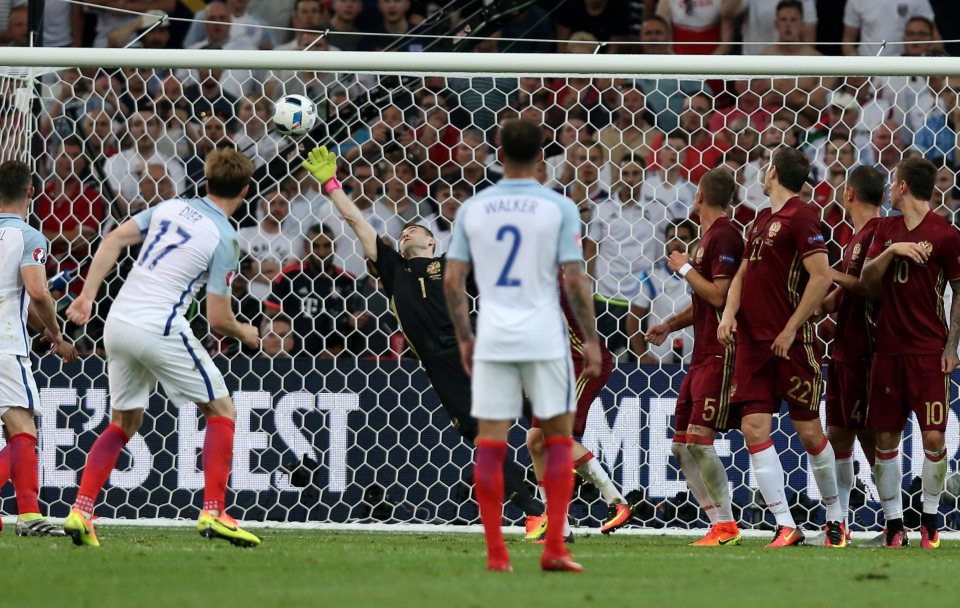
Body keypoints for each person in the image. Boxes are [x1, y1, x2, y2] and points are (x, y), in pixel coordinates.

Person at [298, 146, 546, 527]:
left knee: (536, 416)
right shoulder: (393, 269)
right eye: (404, 230)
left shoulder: (451, 263)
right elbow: (355, 221)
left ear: (432, 243)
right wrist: (331, 183)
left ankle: (566, 462)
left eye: (418, 229)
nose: (408, 231)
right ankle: (536, 515)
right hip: (439, 365)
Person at [63, 150, 261, 548]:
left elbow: (114, 237)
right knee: (222, 410)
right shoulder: (226, 237)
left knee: (124, 421)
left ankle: (81, 511)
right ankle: (214, 510)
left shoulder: (169, 207)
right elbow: (218, 318)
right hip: (160, 324)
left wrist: (86, 297)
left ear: (205, 182)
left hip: (118, 322)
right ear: (244, 190)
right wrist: (247, 333)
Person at [443, 119, 602, 573]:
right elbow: (574, 279)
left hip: (494, 332)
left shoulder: (473, 208)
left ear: (498, 150)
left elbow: (453, 281)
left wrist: (466, 337)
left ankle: (497, 554)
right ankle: (555, 546)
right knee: (556, 439)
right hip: (544, 335)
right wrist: (590, 339)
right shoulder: (558, 207)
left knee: (491, 443)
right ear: (541, 156)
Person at [718, 147, 844, 547]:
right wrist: (728, 314)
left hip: (791, 343)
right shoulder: (760, 220)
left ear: (772, 172)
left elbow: (821, 278)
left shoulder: (803, 215)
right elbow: (741, 272)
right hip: (752, 344)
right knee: (753, 428)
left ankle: (836, 520)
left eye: (764, 167)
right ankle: (785, 525)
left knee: (809, 432)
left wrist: (791, 329)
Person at [859, 157, 960, 549]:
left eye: (892, 181)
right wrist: (892, 251)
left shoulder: (946, 234)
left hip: (927, 354)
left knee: (934, 438)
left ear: (903, 186)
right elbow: (867, 281)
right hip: (886, 351)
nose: (888, 189)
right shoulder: (885, 229)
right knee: (885, 437)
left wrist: (952, 346)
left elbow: (958, 291)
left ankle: (931, 521)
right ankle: (894, 525)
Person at [646, 168, 744, 546]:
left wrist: (683, 267)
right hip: (700, 354)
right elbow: (704, 300)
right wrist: (670, 324)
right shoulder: (707, 239)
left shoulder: (725, 236)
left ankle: (728, 524)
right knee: (680, 444)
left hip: (720, 354)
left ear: (700, 196)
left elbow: (720, 296)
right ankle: (716, 521)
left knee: (700, 441)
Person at [0, 160, 78, 536]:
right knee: (23, 430)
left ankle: (29, 515)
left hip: (9, 333)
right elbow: (36, 292)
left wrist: (41, 327)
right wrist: (56, 331)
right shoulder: (29, 237)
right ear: (30, 192)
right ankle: (30, 516)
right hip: (4, 345)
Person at [817, 166, 883, 540]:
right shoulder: (855, 238)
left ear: (850, 194)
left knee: (871, 437)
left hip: (865, 352)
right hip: (843, 351)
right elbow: (844, 291)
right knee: (839, 434)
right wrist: (822, 305)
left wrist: (827, 273)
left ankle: (895, 521)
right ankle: (837, 525)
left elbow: (870, 287)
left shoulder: (879, 233)